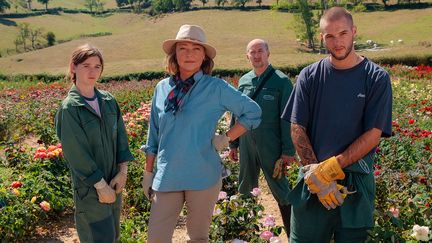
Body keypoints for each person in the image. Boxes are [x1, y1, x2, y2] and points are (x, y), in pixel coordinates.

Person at [141, 24, 262, 242]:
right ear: (174, 54)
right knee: (156, 238)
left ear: (204, 56)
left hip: (203, 175)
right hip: (168, 175)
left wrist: (225, 138)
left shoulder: (215, 88)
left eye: (196, 49)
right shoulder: (162, 88)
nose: (189, 54)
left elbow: (253, 112)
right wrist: (148, 172)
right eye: (183, 48)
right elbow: (154, 135)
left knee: (198, 238)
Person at [281, 7, 392, 242]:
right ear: (322, 38)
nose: (337, 42)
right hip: (312, 183)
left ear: (354, 32)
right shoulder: (309, 76)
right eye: (330, 36)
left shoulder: (376, 78)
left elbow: (373, 134)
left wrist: (329, 169)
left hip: (354, 184)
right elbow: (297, 127)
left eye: (342, 33)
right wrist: (316, 175)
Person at [55, 44, 134, 243]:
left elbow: (121, 139)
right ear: (73, 67)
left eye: (97, 66)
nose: (92, 72)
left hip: (114, 182)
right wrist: (100, 186)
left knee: (113, 236)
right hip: (90, 189)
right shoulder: (70, 109)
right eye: (86, 65)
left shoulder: (108, 101)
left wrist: (122, 172)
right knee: (98, 237)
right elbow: (76, 153)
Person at [228, 39, 296, 236]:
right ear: (247, 56)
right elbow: (236, 113)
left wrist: (287, 151)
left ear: (268, 53)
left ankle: (294, 235)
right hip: (247, 142)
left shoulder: (281, 81)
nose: (256, 55)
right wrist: (233, 143)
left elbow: (287, 118)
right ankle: (246, 235)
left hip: (272, 144)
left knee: (281, 190)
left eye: (260, 51)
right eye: (252, 52)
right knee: (245, 188)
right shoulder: (244, 81)